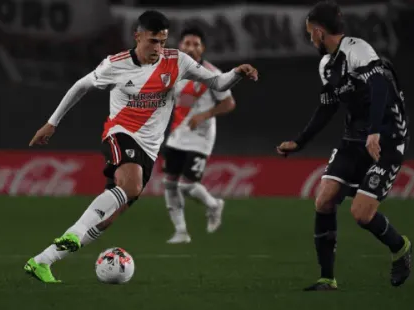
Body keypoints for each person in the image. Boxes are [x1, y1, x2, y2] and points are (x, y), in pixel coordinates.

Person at [24, 10, 258, 283]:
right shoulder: (116, 64)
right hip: (120, 133)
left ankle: (42, 261)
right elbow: (81, 86)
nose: (158, 48)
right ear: (137, 36)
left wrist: (237, 73)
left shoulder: (177, 61)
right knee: (131, 185)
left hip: (149, 149)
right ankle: (74, 233)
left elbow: (217, 82)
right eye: (152, 41)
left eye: (162, 41)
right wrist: (52, 123)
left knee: (108, 217)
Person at [276, 1, 412, 291]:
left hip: (386, 139)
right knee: (324, 200)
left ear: (319, 31)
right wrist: (300, 142)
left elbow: (379, 88)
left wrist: (375, 132)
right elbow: (327, 108)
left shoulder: (358, 50)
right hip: (354, 139)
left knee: (361, 214)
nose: (310, 38)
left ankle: (401, 248)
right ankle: (327, 278)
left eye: (310, 33)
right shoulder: (327, 65)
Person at [162, 27, 236, 244]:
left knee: (186, 185)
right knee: (169, 184)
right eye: (187, 44)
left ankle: (214, 205)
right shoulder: (173, 71)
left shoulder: (212, 74)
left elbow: (229, 103)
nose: (191, 48)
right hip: (177, 134)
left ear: (202, 48)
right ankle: (181, 231)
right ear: (180, 46)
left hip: (201, 136)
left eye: (196, 44)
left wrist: (205, 114)